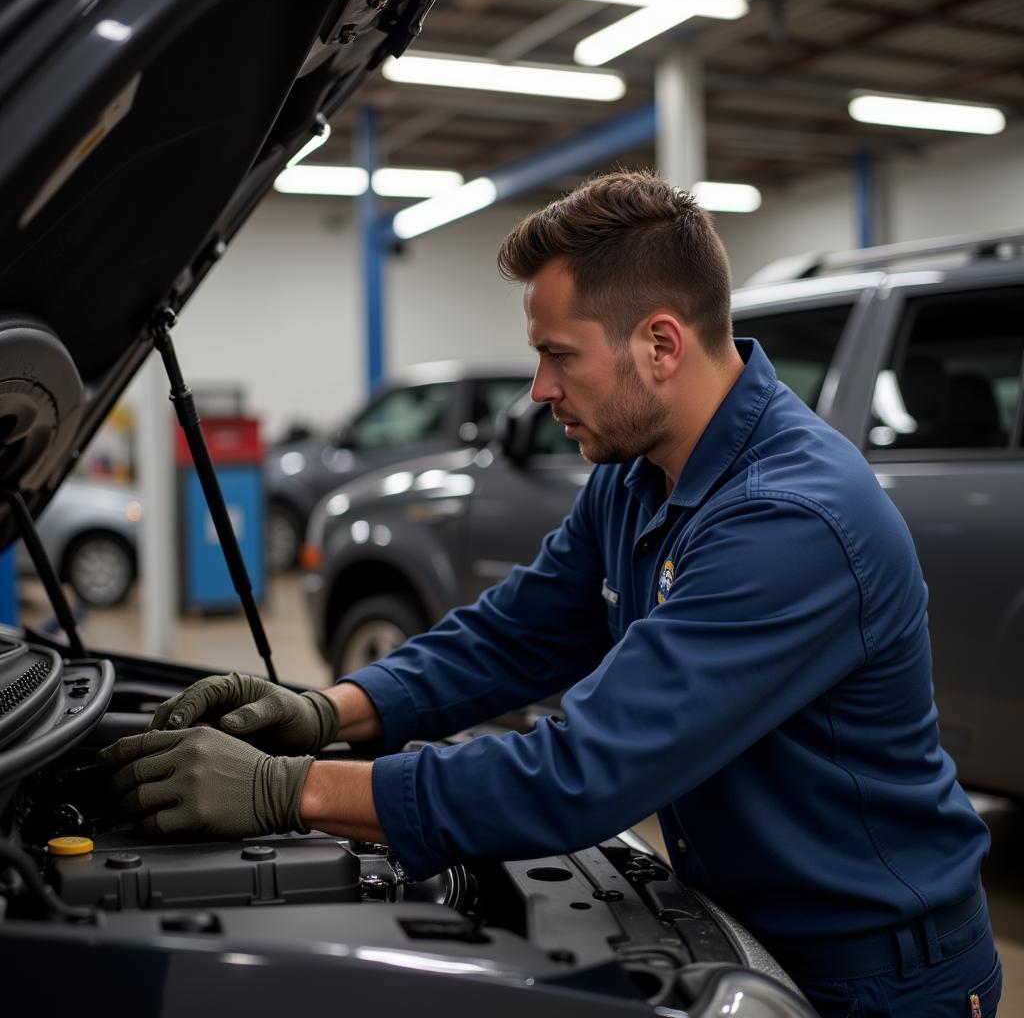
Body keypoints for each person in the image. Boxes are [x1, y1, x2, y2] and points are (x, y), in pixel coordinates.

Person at [100, 170, 1001, 1017]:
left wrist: (289, 792)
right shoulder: (641, 470)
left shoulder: (789, 522)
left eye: (558, 357)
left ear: (659, 344)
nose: (540, 390)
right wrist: (324, 710)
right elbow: (516, 634)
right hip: (744, 922)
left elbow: (588, 772)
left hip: (874, 975)